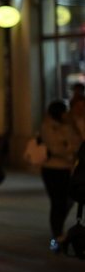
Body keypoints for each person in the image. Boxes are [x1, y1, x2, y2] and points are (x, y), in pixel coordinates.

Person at [38, 100, 79, 252]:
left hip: (67, 169)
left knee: (68, 200)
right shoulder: (48, 126)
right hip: (52, 169)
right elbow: (55, 147)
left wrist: (67, 147)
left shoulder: (69, 125)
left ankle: (58, 230)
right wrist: (69, 150)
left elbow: (77, 143)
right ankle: (57, 233)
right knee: (57, 201)